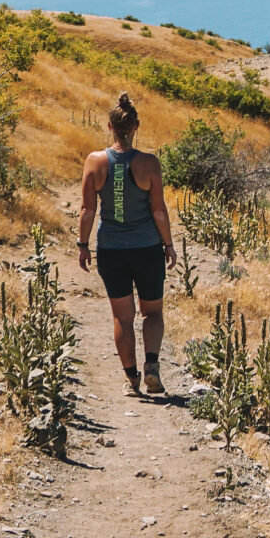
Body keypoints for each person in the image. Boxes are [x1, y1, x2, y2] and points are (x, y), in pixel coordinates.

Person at [76, 93, 175, 396]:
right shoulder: (149, 164)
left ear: (109, 126)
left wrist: (83, 244)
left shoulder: (95, 162)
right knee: (152, 313)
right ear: (136, 126)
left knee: (122, 316)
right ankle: (152, 366)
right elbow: (158, 210)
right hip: (146, 249)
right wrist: (168, 245)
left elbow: (88, 209)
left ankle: (131, 377)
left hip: (111, 250)